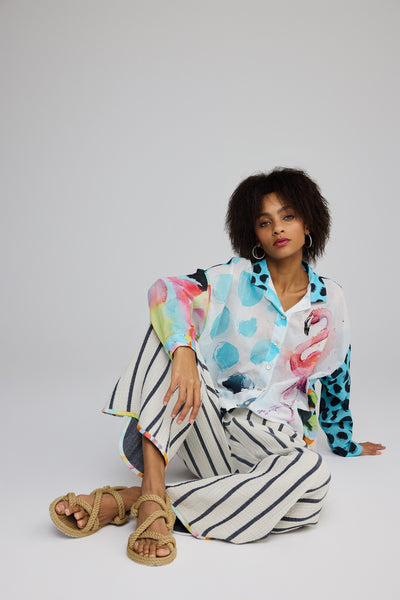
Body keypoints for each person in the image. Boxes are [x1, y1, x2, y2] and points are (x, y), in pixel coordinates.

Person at [49, 167, 385, 566]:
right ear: (254, 233)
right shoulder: (233, 278)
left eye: (288, 216)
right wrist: (184, 353)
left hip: (271, 445)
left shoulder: (331, 299)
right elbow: (166, 289)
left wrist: (344, 441)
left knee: (311, 484)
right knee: (168, 333)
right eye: (265, 222)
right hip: (205, 420)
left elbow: (337, 372)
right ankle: (155, 488)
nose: (278, 228)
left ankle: (136, 500)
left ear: (308, 223)